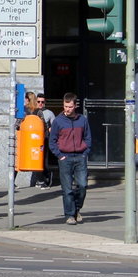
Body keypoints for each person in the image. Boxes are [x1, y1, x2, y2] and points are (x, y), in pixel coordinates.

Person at [49, 92, 92, 225]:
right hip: (65, 157)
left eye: (70, 107)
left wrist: (85, 152)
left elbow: (88, 138)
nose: (67, 109)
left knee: (83, 185)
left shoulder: (82, 120)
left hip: (80, 156)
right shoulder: (58, 121)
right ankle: (69, 215)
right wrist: (60, 155)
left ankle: (77, 208)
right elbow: (52, 141)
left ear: (75, 106)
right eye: (65, 106)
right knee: (67, 189)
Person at [32, 93, 57, 187]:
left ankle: (46, 179)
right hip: (34, 140)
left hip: (44, 139)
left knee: (44, 160)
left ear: (45, 102)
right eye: (38, 102)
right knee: (35, 160)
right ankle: (39, 180)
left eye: (42, 102)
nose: (40, 103)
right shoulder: (33, 111)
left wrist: (50, 130)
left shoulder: (49, 113)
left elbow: (54, 126)